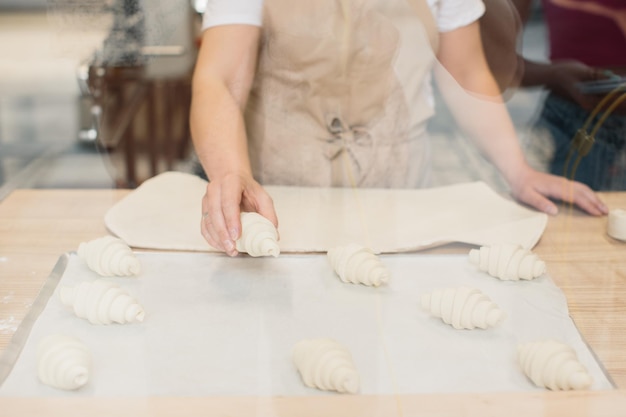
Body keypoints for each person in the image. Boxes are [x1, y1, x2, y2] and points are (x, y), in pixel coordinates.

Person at [191, 0, 608, 256]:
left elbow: (465, 71)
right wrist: (232, 174)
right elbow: (221, 78)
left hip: (399, 191)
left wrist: (518, 170)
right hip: (280, 197)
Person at [513, 0, 626, 190]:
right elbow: (491, 65)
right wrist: (554, 74)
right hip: (573, 128)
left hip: (575, 122)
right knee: (567, 217)